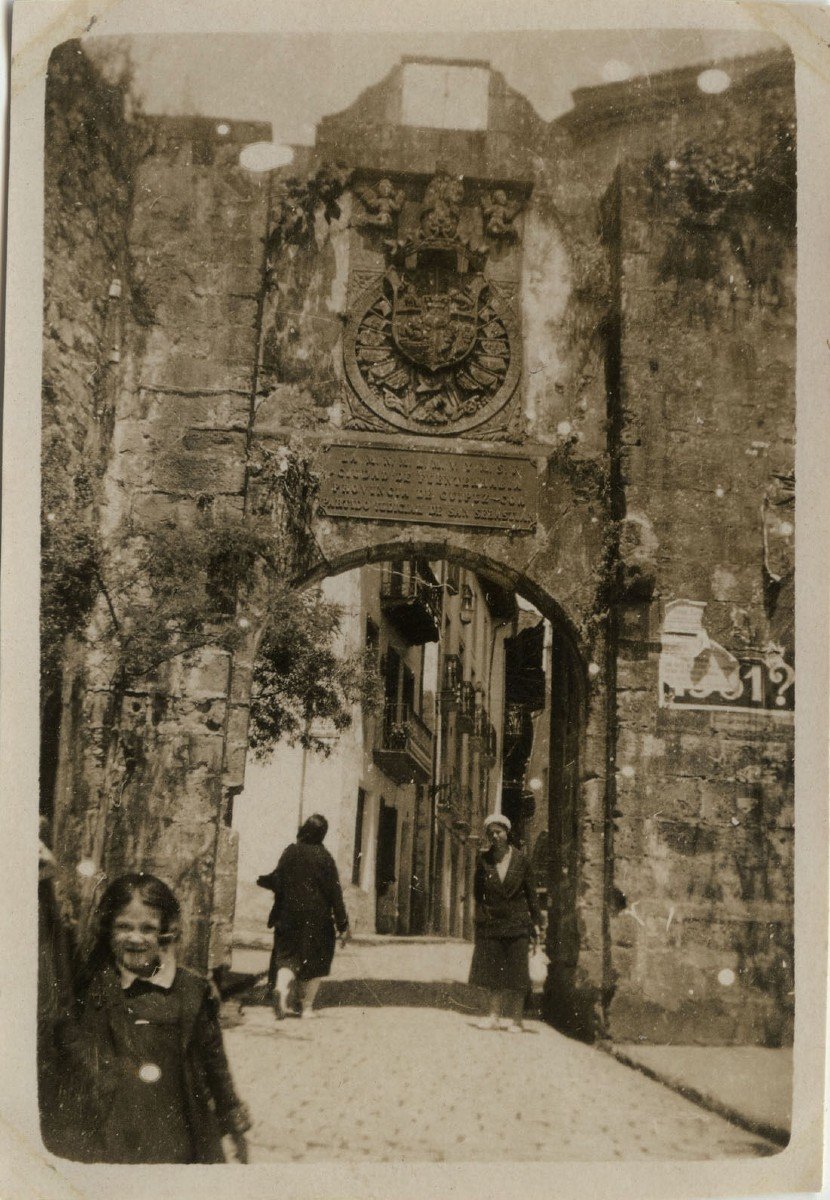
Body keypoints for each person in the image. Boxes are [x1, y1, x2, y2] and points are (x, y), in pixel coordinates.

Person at [60, 873, 250, 1163]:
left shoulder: (192, 991)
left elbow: (214, 1059)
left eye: (147, 929)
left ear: (165, 932)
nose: (135, 938)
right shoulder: (91, 988)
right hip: (109, 1135)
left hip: (177, 1136)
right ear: (108, 930)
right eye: (124, 927)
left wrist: (231, 1117)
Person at [257, 814, 350, 1020]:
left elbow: (277, 879)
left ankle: (281, 990)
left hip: (288, 915)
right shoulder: (325, 858)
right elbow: (335, 893)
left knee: (288, 958)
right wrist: (343, 923)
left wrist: (262, 880)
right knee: (317, 961)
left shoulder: (290, 851)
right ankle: (306, 1006)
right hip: (317, 920)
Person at [469, 812, 542, 1033]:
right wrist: (481, 920)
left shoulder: (522, 860)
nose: (495, 837)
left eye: (498, 832)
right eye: (491, 833)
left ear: (507, 833)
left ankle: (516, 1020)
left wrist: (536, 922)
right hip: (492, 924)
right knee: (493, 974)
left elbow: (531, 894)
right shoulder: (484, 860)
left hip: (517, 923)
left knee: (517, 973)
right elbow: (477, 892)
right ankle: (493, 1017)